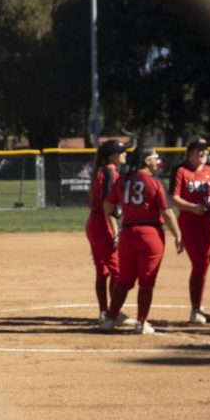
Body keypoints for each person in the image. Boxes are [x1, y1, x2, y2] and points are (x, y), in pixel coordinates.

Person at [100, 146, 184, 334]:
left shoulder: (123, 180)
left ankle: (110, 319)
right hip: (150, 233)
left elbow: (107, 204)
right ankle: (141, 322)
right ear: (146, 161)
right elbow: (167, 213)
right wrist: (178, 234)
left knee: (124, 280)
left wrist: (119, 214)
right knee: (146, 280)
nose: (158, 160)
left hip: (128, 234)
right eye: (155, 157)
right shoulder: (154, 182)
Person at [168, 136, 210, 324]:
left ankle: (199, 307)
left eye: (206, 149)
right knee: (200, 262)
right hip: (189, 223)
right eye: (199, 149)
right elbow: (174, 198)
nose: (204, 153)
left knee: (205, 263)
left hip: (207, 223)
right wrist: (193, 207)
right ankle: (195, 311)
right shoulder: (181, 170)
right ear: (190, 152)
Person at [85, 139, 136, 326]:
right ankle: (115, 313)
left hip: (94, 222)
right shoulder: (111, 174)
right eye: (121, 151)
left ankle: (104, 312)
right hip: (105, 223)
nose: (125, 154)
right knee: (117, 270)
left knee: (102, 270)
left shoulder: (101, 171)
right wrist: (116, 231)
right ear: (112, 156)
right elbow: (109, 206)